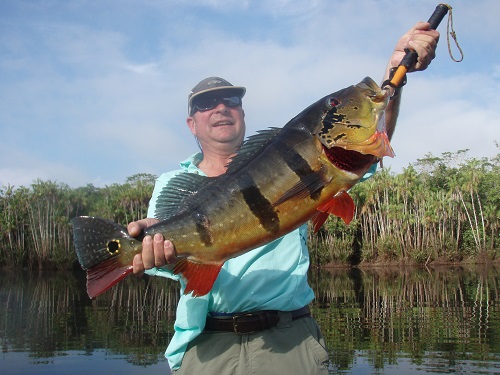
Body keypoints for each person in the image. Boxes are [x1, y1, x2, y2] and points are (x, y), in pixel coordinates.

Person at [127, 22, 440, 374]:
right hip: (205, 344)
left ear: (242, 114)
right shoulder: (175, 183)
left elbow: (372, 137)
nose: (220, 108)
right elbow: (175, 266)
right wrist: (150, 249)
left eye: (230, 101)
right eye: (205, 104)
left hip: (290, 340)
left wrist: (394, 74)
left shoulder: (295, 154)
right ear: (191, 124)